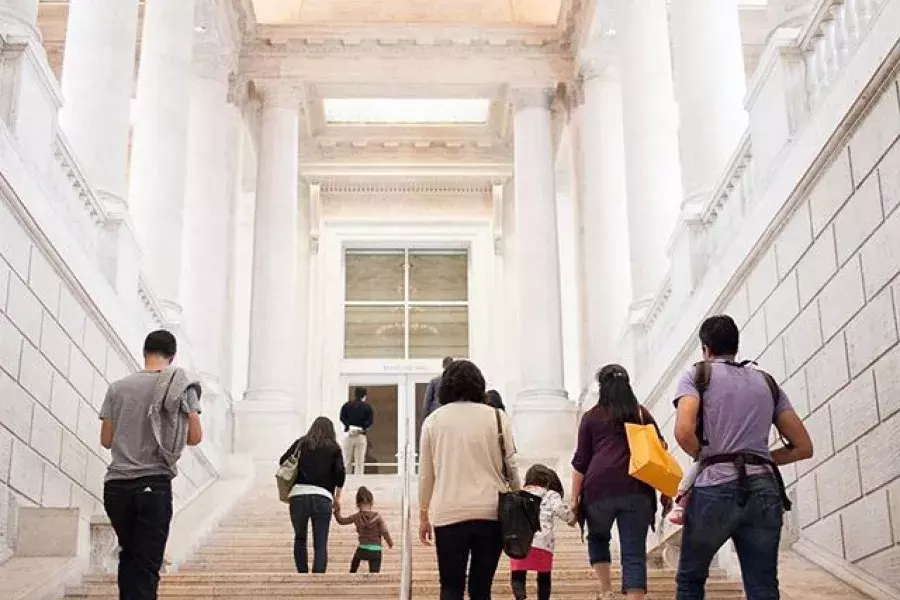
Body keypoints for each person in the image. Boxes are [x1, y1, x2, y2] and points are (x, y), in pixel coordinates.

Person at [673, 315, 813, 600]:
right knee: (763, 585)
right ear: (735, 345)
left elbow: (683, 432)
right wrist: (760, 459)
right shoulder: (766, 382)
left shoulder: (697, 375)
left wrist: (708, 456)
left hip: (715, 487)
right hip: (764, 489)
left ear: (705, 348)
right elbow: (802, 446)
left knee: (690, 579)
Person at [99, 330, 203, 600]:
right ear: (173, 356)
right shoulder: (180, 386)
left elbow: (106, 440)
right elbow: (194, 438)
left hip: (116, 487)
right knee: (146, 565)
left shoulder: (117, 387)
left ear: (144, 352)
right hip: (153, 484)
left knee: (129, 556)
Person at [419, 359, 521, 600]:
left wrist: (423, 513)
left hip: (449, 511)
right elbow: (512, 464)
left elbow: (426, 474)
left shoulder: (434, 421)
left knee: (450, 587)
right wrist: (517, 495)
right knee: (481, 589)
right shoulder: (497, 417)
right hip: (491, 511)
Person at [570, 364, 669, 600]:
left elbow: (581, 461)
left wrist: (574, 499)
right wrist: (667, 492)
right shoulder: (641, 413)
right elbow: (660, 452)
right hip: (637, 489)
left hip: (598, 490)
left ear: (602, 387)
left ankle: (606, 591)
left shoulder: (592, 416)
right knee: (634, 550)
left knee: (598, 537)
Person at [279, 417, 346, 574]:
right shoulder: (334, 448)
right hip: (322, 497)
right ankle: (318, 578)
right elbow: (340, 475)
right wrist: (337, 497)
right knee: (320, 542)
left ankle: (302, 574)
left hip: (298, 496)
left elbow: (283, 460)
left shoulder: (301, 443)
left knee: (300, 538)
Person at [510, 464, 576, 600]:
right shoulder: (550, 494)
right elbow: (560, 509)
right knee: (544, 576)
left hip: (519, 543)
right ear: (547, 481)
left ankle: (520, 594)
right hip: (542, 544)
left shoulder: (518, 494)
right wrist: (572, 519)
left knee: (518, 574)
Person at [334, 486, 394, 573]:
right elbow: (384, 531)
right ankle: (374, 577)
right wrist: (390, 543)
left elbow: (341, 521)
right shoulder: (377, 517)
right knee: (375, 569)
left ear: (357, 504)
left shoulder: (356, 516)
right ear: (372, 502)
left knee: (355, 562)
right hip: (376, 550)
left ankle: (352, 573)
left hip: (362, 550)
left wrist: (337, 511)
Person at [339, 387, 373, 475]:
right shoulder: (367, 407)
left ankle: (346, 480)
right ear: (364, 396)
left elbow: (342, 417)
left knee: (347, 460)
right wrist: (362, 427)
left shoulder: (347, 405)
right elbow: (370, 421)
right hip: (360, 435)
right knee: (359, 461)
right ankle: (358, 480)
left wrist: (348, 426)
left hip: (349, 434)